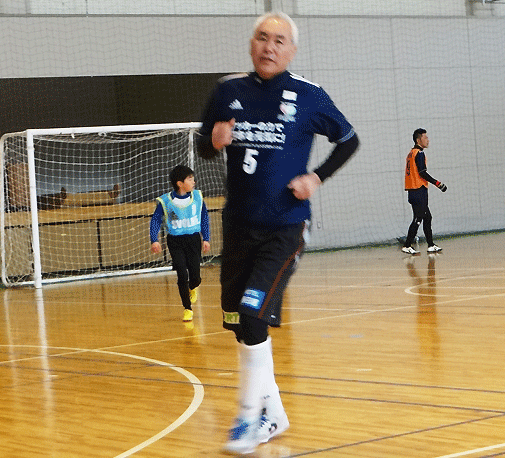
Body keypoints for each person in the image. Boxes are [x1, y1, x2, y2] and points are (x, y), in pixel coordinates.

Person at [195, 12, 359, 454]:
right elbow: (204, 147)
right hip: (238, 227)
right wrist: (213, 142)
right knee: (239, 323)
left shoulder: (308, 95)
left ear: (292, 50)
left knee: (253, 316)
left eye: (279, 40)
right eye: (262, 38)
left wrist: (317, 177)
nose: (269, 47)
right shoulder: (227, 91)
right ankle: (275, 414)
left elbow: (348, 139)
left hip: (285, 229)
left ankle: (248, 419)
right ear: (252, 43)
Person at [149, 165, 211, 321]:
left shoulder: (197, 197)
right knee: (182, 274)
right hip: (175, 241)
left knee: (195, 277)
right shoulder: (166, 201)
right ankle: (187, 308)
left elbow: (204, 217)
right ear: (180, 183)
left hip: (194, 240)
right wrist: (154, 240)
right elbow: (155, 220)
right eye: (190, 179)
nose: (193, 182)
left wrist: (206, 238)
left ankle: (193, 287)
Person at [402, 128, 446, 255]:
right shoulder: (419, 153)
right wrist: (437, 183)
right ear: (418, 140)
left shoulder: (411, 153)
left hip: (413, 191)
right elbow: (422, 172)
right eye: (425, 137)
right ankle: (407, 245)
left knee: (427, 217)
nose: (428, 140)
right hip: (418, 190)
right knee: (418, 218)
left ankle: (431, 245)